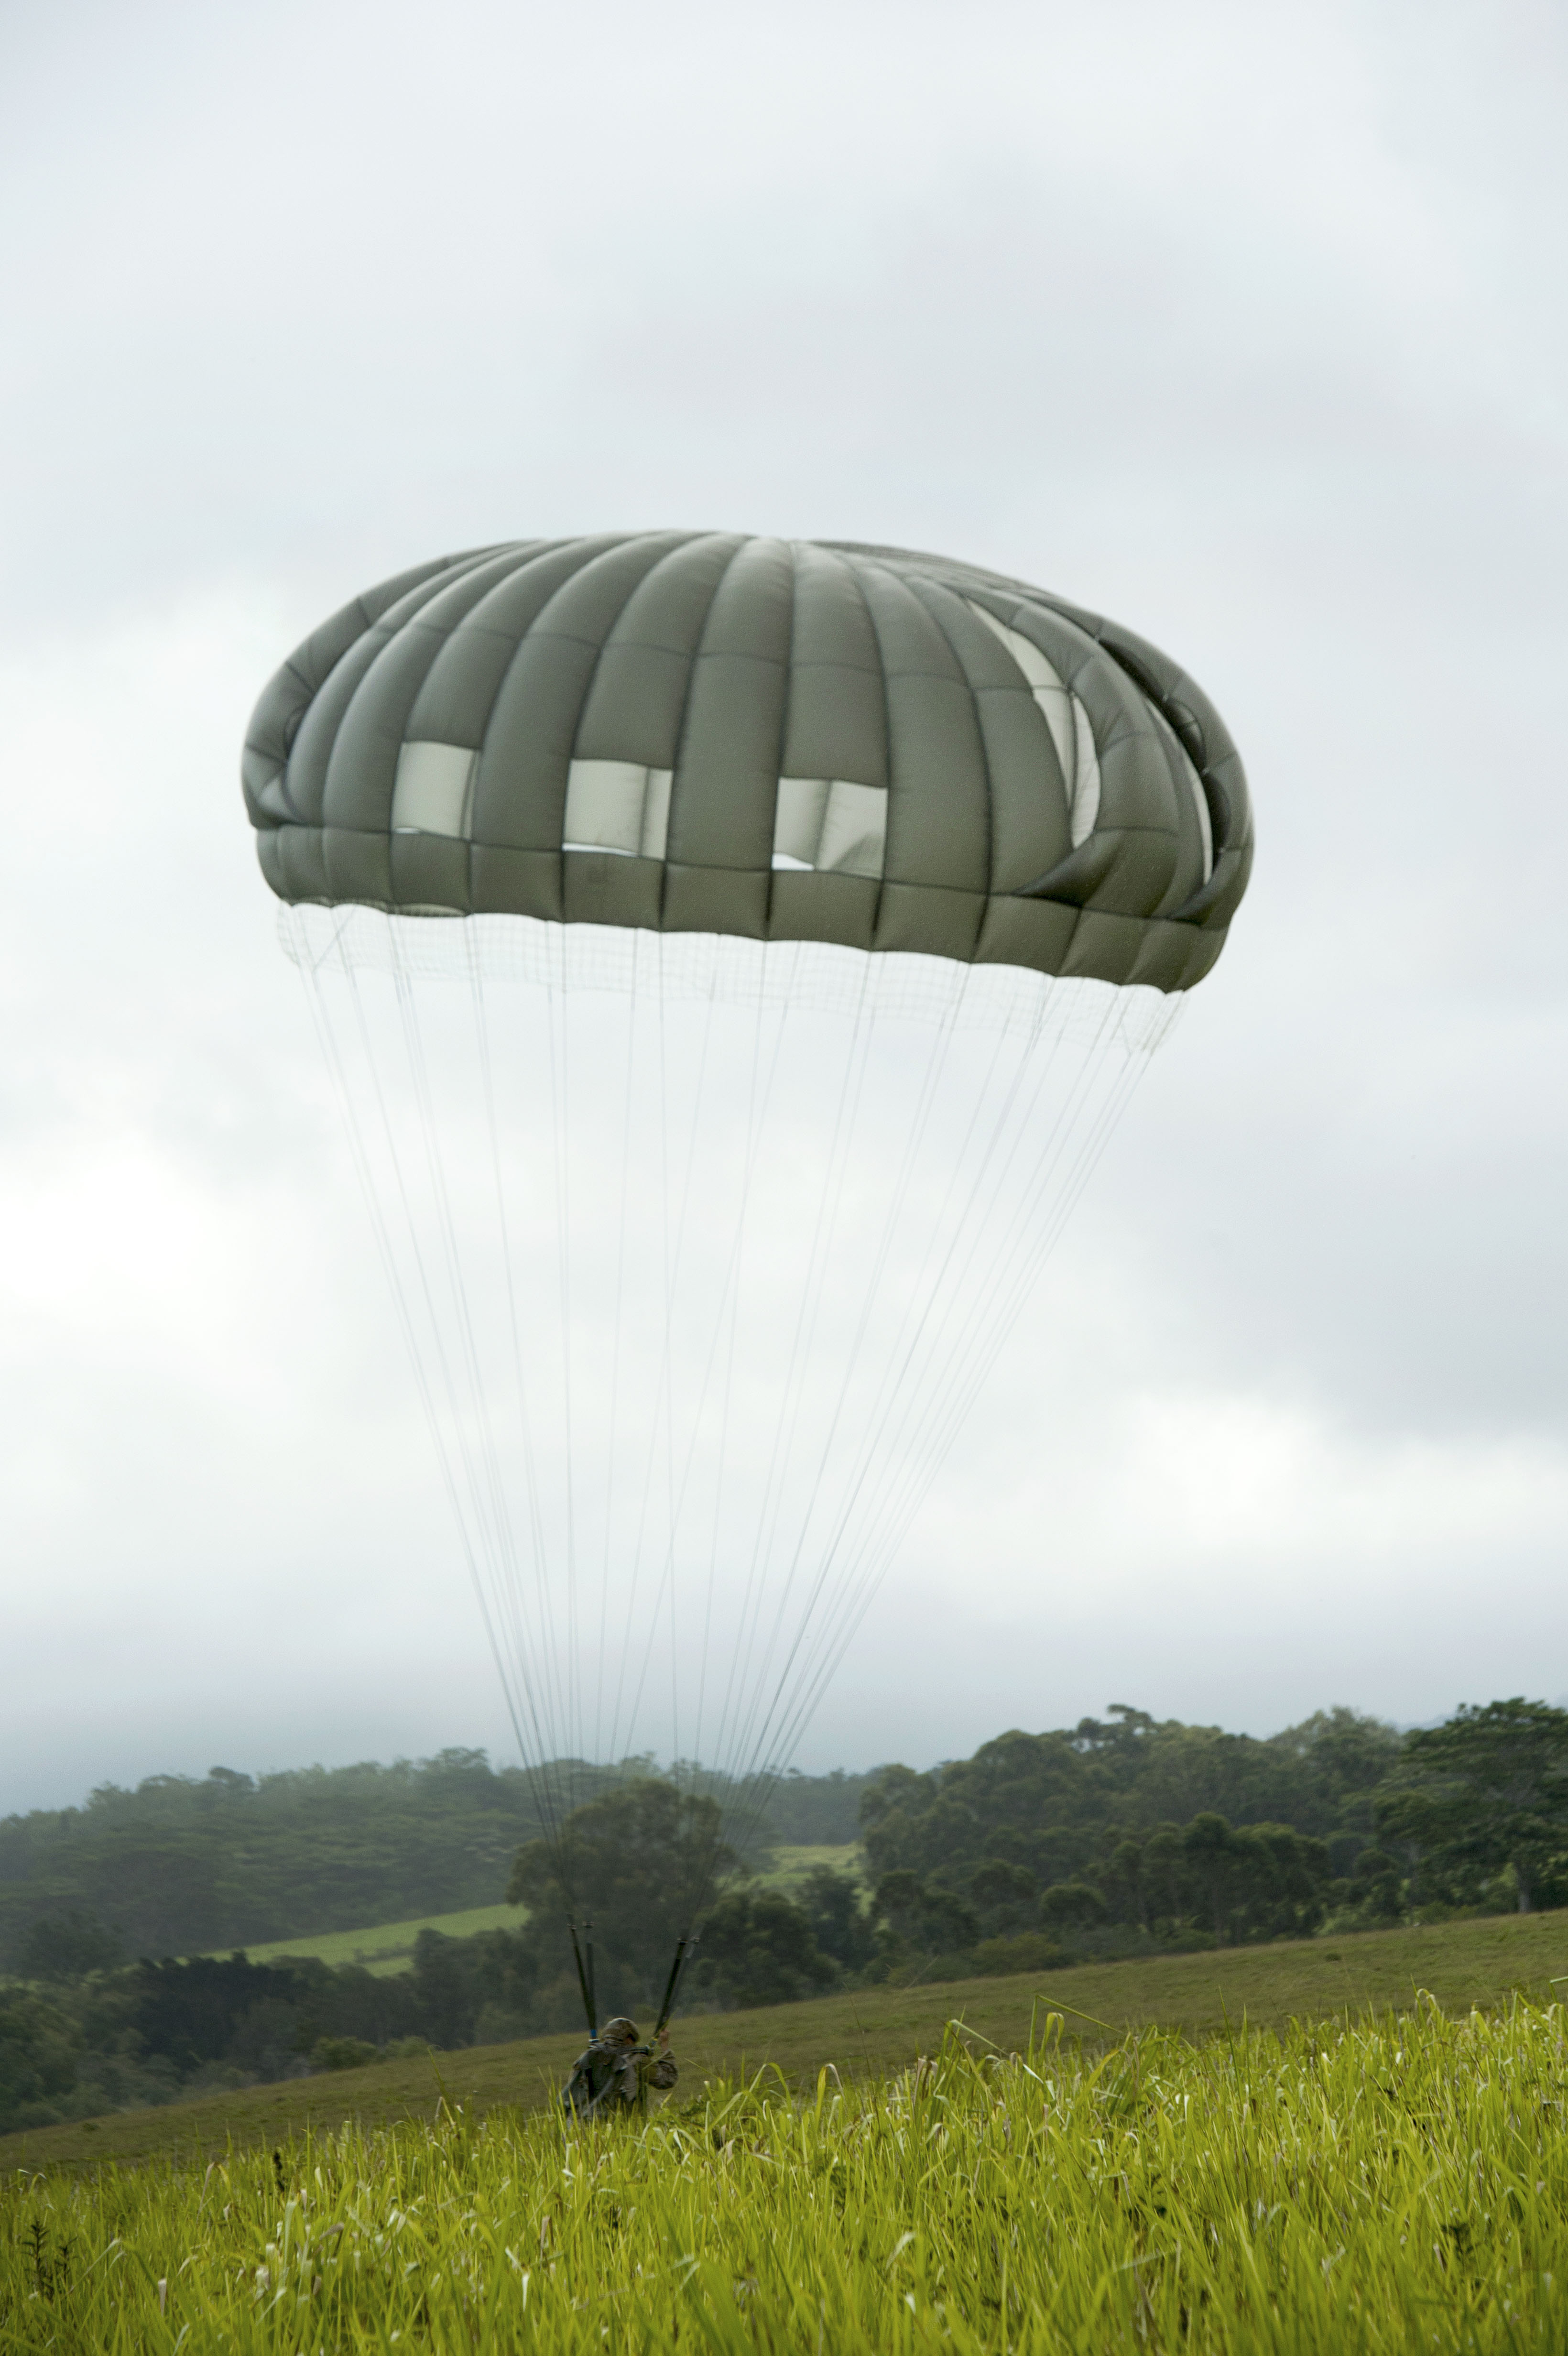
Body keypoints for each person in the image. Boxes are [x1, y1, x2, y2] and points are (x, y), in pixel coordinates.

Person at [562, 2016, 678, 2121]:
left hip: (587, 2126)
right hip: (626, 2128)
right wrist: (664, 2045)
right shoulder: (636, 2059)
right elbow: (668, 2079)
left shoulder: (588, 2058)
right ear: (628, 2039)